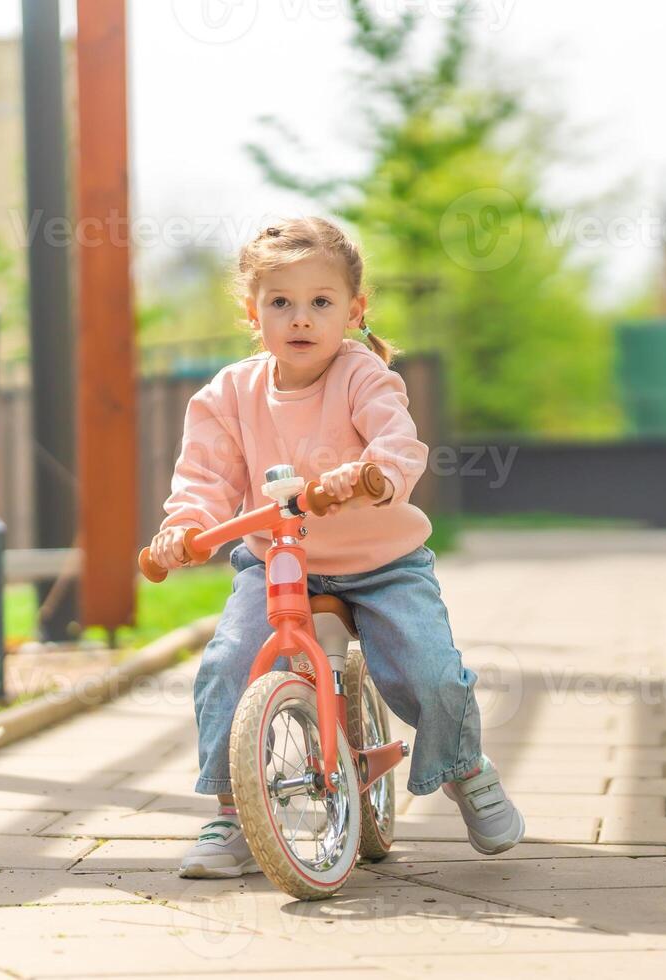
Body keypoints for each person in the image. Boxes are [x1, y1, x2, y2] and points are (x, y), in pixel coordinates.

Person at [147, 217, 524, 878]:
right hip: (278, 561)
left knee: (427, 667)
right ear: (252, 311)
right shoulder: (228, 394)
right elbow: (206, 478)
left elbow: (397, 441)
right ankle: (233, 812)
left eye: (321, 302)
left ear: (354, 310)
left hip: (380, 564)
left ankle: (464, 765)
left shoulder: (363, 376)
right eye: (281, 303)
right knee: (230, 662)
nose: (301, 318)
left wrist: (373, 475)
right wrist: (184, 530)